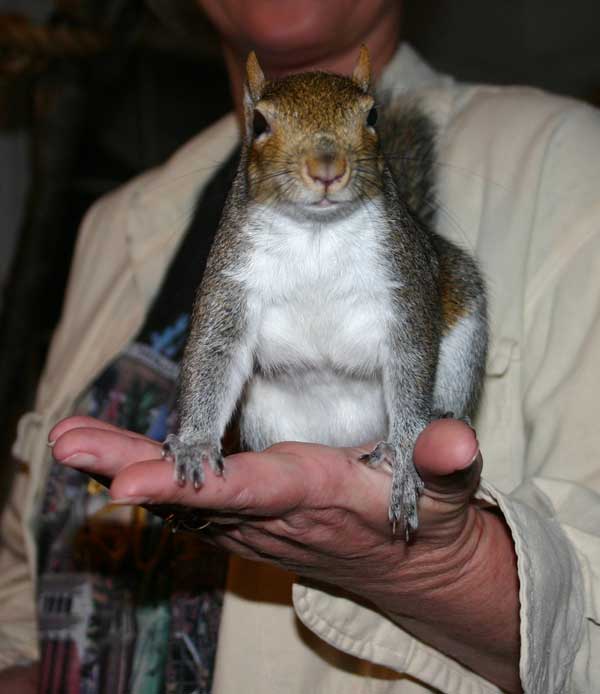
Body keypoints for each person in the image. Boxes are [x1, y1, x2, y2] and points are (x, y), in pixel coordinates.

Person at [2, 1, 600, 691]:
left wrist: (447, 570)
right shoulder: (111, 225)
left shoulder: (565, 163)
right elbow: (22, 581)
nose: (323, 165)